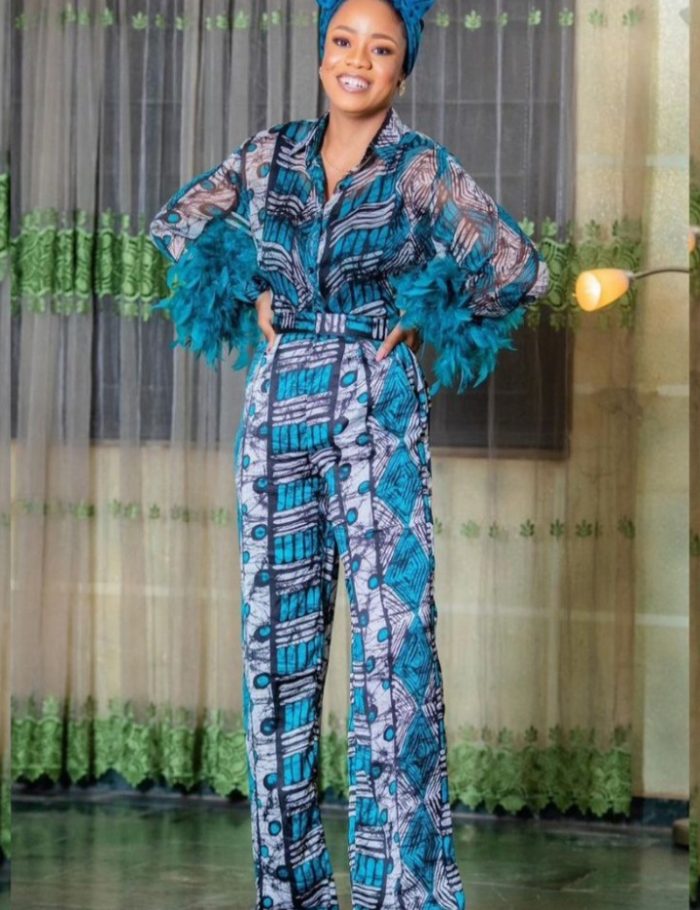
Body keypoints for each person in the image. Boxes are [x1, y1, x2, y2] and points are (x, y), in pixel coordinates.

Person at [149, 1, 549, 908]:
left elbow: (519, 267)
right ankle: (290, 892)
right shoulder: (271, 154)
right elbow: (178, 223)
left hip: (375, 407)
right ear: (322, 52)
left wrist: (431, 304)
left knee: (393, 656)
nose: (356, 60)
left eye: (380, 47)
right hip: (278, 406)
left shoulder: (421, 170)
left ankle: (399, 892)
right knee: (276, 657)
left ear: (403, 68)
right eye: (341, 41)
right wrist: (246, 283)